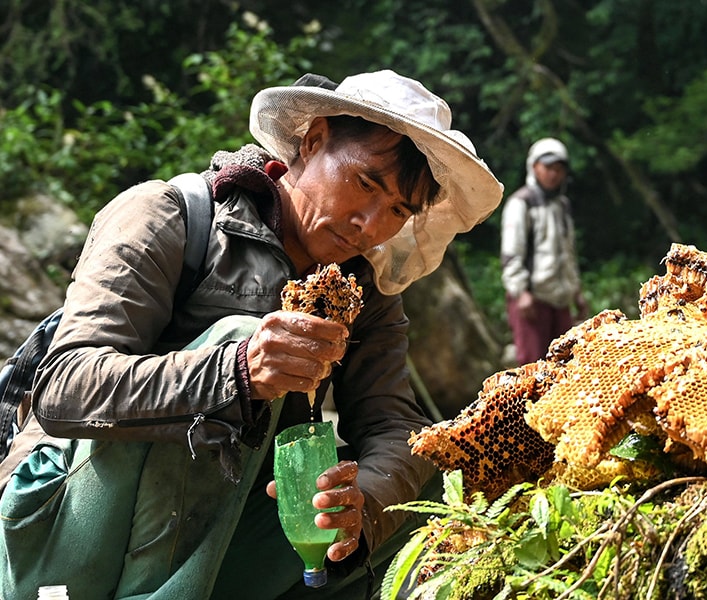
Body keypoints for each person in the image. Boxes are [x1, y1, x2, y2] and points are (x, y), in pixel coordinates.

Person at [0, 70, 502, 599]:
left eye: (399, 210)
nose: (370, 224)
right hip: (66, 530)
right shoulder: (170, 214)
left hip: (209, 530)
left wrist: (364, 506)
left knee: (434, 465)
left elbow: (393, 423)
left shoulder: (365, 291)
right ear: (312, 141)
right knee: (239, 334)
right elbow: (64, 389)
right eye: (365, 182)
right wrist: (236, 370)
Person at [500, 137, 588, 366]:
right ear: (534, 167)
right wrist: (520, 292)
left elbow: (568, 253)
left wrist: (576, 291)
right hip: (533, 299)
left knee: (565, 365)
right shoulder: (521, 203)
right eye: (548, 167)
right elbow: (510, 254)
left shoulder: (562, 205)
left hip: (560, 299)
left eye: (559, 169)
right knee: (533, 369)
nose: (553, 174)